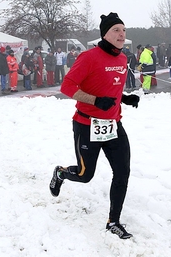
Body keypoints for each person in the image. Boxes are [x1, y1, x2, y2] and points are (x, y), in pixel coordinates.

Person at [49, 12, 140, 240]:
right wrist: (95, 101)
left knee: (122, 172)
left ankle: (114, 221)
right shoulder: (89, 57)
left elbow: (112, 87)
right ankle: (60, 173)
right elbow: (66, 86)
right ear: (105, 34)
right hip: (86, 125)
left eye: (123, 30)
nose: (121, 34)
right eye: (116, 30)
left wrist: (124, 98)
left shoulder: (122, 59)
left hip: (113, 126)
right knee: (84, 174)